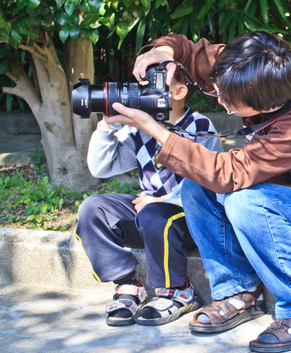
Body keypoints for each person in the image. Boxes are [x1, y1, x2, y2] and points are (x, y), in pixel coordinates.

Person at [104, 31, 291, 353]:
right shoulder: (254, 67)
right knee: (195, 185)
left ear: (270, 104)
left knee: (246, 200)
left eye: (228, 104)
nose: (219, 100)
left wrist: (152, 127)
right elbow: (191, 51)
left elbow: (230, 174)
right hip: (290, 198)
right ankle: (238, 292)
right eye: (218, 91)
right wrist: (161, 52)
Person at [76, 69, 223, 327]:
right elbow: (100, 167)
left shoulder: (199, 125)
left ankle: (177, 290)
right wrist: (107, 125)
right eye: (142, 85)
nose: (145, 91)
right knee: (92, 209)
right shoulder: (138, 128)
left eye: (155, 85)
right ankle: (127, 284)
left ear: (179, 92)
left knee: (154, 214)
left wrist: (162, 202)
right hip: (149, 213)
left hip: (188, 215)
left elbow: (207, 182)